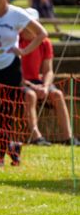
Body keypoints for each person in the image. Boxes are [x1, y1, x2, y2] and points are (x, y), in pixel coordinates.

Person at [0, 0, 48, 167]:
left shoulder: (16, 13)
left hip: (9, 69)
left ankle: (0, 157)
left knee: (6, 114)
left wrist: (23, 51)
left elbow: (42, 33)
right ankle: (12, 146)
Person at [20, 8, 80, 146]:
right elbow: (15, 73)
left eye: (32, 23)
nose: (29, 26)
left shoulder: (45, 42)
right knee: (31, 96)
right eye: (26, 23)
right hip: (19, 83)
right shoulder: (15, 41)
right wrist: (32, 86)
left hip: (38, 82)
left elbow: (48, 70)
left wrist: (45, 87)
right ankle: (37, 138)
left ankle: (68, 138)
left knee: (57, 94)